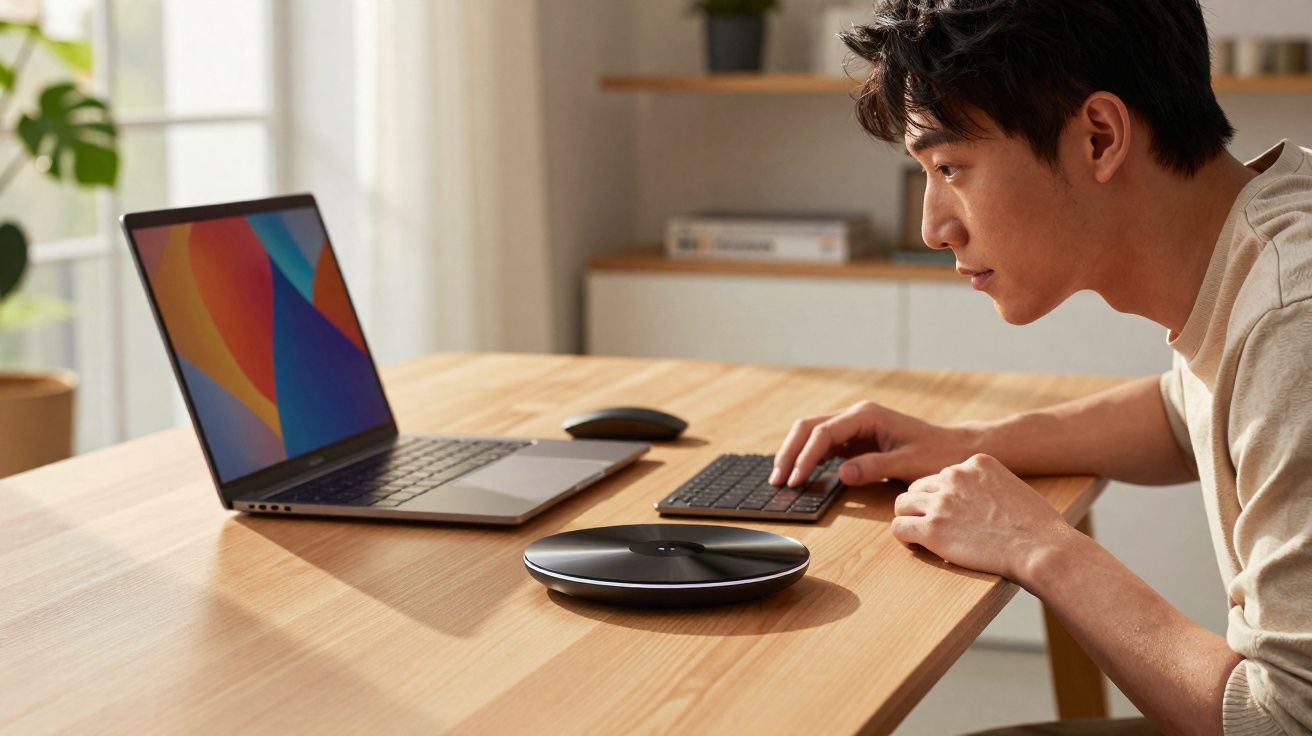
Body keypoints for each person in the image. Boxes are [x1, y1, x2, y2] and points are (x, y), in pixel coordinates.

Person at [767, 1, 1312, 734]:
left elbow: (1280, 721)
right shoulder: (1268, 228)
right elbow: (1186, 412)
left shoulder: (1292, 318)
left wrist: (1037, 544)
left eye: (950, 166)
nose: (933, 226)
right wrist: (964, 442)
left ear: (1099, 137)